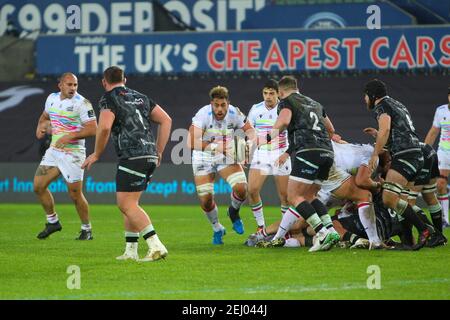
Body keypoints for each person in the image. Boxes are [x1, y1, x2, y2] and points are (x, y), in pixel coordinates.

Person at [82, 66, 172, 262]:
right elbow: (166, 120)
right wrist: (159, 150)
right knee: (131, 203)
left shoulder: (109, 98)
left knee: (126, 204)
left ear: (104, 82)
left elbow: (105, 126)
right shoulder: (141, 97)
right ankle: (131, 251)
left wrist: (97, 153)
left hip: (132, 154)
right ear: (125, 79)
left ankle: (156, 245)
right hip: (148, 155)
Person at [258, 75, 340, 252]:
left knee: (293, 196)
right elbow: (331, 129)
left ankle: (321, 233)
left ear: (280, 92)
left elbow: (284, 121)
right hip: (327, 152)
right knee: (311, 196)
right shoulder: (315, 103)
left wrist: (265, 138)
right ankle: (331, 230)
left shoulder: (287, 101)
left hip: (308, 151)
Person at [364, 79, 436, 250]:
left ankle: (426, 230)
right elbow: (396, 132)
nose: (365, 99)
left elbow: (387, 129)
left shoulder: (381, 107)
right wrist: (378, 134)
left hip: (406, 155)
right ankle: (410, 240)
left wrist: (375, 154)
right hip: (415, 154)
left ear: (373, 96)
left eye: (366, 96)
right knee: (402, 201)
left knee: (389, 198)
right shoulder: (397, 104)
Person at [187, 86, 255, 244]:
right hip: (203, 155)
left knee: (242, 189)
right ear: (211, 104)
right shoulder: (203, 114)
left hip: (225, 154)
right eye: (216, 105)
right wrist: (216, 147)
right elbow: (191, 141)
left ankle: (233, 212)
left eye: (223, 105)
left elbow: (250, 131)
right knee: (206, 200)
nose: (219, 109)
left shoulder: (234, 113)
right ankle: (217, 227)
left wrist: (247, 147)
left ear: (228, 103)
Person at [34, 72, 97, 240]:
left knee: (75, 194)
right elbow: (45, 116)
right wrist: (40, 126)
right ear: (60, 85)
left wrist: (70, 136)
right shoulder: (51, 98)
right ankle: (53, 222)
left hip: (73, 154)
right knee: (38, 186)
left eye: (75, 85)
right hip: (54, 151)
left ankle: (86, 229)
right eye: (69, 85)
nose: (73, 88)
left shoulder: (83, 103)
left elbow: (93, 129)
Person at [247, 79, 291, 230]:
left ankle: (284, 230)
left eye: (271, 93)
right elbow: (249, 129)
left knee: (285, 196)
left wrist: (287, 152)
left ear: (278, 93)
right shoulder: (256, 109)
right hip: (262, 153)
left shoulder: (285, 108)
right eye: (265, 93)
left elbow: (293, 131)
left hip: (281, 152)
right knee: (252, 190)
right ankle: (261, 226)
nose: (268, 96)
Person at [424, 87, 450, 228]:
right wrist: (425, 151)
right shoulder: (441, 111)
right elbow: (434, 132)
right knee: (440, 184)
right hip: (444, 152)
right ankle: (445, 219)